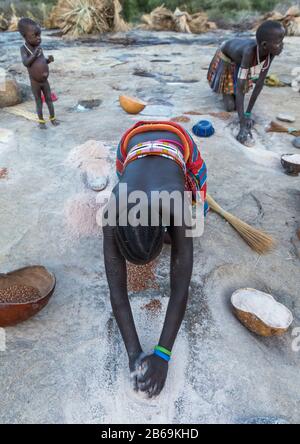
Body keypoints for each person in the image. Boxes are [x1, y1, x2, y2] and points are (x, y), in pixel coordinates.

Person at [103, 121, 208, 398]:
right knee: (130, 184)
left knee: (193, 227)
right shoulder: (112, 210)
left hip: (178, 142)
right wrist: (133, 352)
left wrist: (163, 354)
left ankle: (178, 231)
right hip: (131, 144)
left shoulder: (178, 203)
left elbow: (180, 287)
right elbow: (116, 290)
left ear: (163, 228)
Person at [207, 21, 285, 145]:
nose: (282, 46)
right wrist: (242, 123)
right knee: (230, 107)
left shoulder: (271, 53)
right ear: (265, 45)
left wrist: (247, 113)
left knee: (239, 100)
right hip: (227, 55)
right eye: (278, 43)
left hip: (240, 58)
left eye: (282, 41)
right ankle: (226, 92)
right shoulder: (249, 53)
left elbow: (259, 83)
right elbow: (240, 89)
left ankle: (231, 92)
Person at [18, 18, 59, 129]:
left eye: (39, 35)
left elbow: (41, 61)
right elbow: (26, 62)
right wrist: (34, 54)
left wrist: (48, 60)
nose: (38, 38)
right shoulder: (24, 48)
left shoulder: (38, 47)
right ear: (25, 37)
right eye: (34, 35)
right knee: (39, 101)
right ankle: (41, 122)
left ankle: (53, 118)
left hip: (45, 81)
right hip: (35, 82)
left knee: (49, 99)